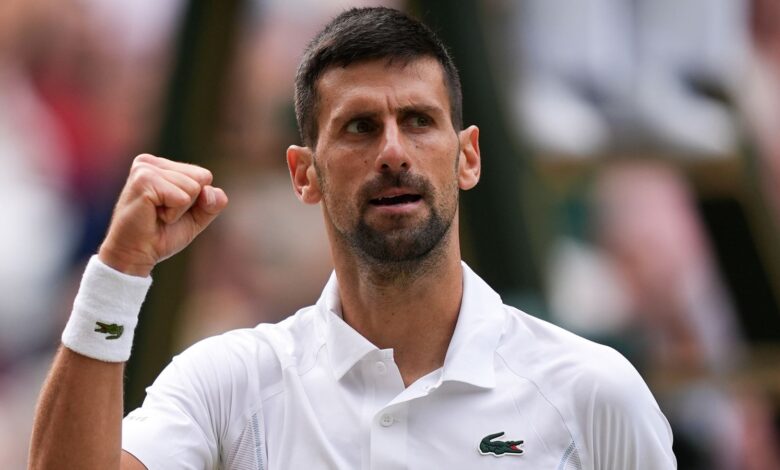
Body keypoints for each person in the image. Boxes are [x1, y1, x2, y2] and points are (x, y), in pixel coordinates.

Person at [29, 7, 676, 469]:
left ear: (468, 157)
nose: (393, 151)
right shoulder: (230, 382)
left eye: (418, 121)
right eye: (360, 127)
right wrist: (117, 272)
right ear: (303, 174)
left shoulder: (594, 391)